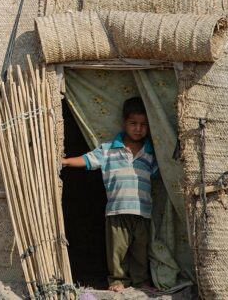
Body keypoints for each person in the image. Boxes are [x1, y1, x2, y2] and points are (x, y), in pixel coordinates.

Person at [61, 97, 158, 292]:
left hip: (143, 211)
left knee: (140, 250)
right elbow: (87, 160)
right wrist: (64, 161)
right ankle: (117, 280)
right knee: (117, 250)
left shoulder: (151, 153)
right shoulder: (108, 150)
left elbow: (164, 171)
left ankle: (140, 281)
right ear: (124, 123)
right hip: (116, 210)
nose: (138, 129)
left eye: (144, 125)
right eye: (133, 123)